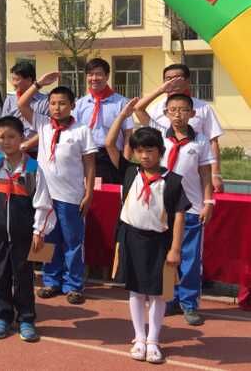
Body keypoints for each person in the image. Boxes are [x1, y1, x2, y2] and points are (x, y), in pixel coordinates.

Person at [105, 100, 190, 363]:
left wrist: (175, 249)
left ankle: (153, 339)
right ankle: (139, 337)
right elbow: (109, 144)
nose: (144, 156)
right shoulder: (130, 172)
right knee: (135, 290)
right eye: (140, 151)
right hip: (130, 238)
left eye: (150, 150)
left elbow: (179, 215)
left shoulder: (172, 181)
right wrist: (123, 115)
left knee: (158, 292)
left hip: (160, 243)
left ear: (160, 152)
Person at [0, 111, 56, 342]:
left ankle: (26, 318)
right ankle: (3, 317)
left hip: (23, 234)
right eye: (1, 137)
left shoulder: (33, 168)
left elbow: (43, 202)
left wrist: (39, 231)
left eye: (11, 137)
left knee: (23, 276)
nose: (6, 142)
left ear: (22, 138)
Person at [135, 82, 214, 326]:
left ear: (193, 113)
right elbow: (138, 108)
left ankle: (189, 303)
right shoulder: (158, 133)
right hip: (162, 207)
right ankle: (168, 299)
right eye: (173, 110)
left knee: (189, 258)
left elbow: (205, 174)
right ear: (166, 113)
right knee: (165, 256)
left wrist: (209, 202)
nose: (178, 114)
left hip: (191, 207)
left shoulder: (201, 141)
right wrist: (162, 90)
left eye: (183, 110)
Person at [18, 72, 97, 305]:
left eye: (62, 103)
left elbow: (89, 164)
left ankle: (73, 284)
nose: (57, 108)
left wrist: (89, 193)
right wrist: (39, 84)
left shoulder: (81, 130)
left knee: (72, 241)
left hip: (71, 196)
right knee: (47, 238)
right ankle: (51, 280)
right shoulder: (43, 124)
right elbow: (22, 104)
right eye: (52, 103)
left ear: (72, 105)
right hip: (45, 197)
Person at [148, 64, 224, 192]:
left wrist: (215, 174)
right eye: (168, 79)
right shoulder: (155, 109)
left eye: (177, 78)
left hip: (195, 170)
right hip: (162, 171)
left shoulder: (203, 108)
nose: (172, 83)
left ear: (188, 81)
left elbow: (213, 141)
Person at [73, 58, 133, 183]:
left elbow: (128, 135)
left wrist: (125, 164)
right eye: (90, 74)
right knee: (86, 191)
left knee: (111, 192)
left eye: (98, 74)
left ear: (107, 76)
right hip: (85, 156)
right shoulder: (80, 104)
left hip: (112, 156)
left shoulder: (121, 103)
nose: (94, 78)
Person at [0, 62, 48, 158]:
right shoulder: (10, 100)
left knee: (32, 168)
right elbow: (4, 126)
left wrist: (28, 144)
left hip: (37, 153)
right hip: (14, 152)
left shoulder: (45, 102)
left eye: (17, 79)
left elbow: (47, 129)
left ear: (29, 80)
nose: (13, 83)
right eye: (12, 79)